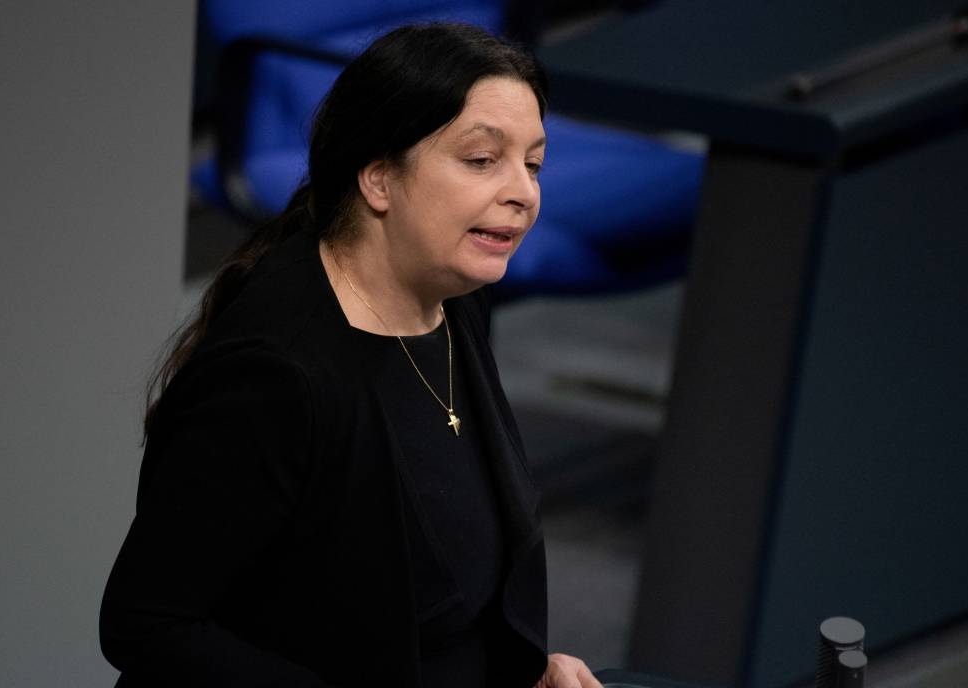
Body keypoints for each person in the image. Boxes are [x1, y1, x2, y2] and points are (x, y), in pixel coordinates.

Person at [100, 22, 603, 688]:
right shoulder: (275, 375)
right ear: (378, 179)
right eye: (483, 160)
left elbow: (434, 592)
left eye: (532, 163)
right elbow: (147, 625)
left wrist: (524, 669)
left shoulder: (452, 298)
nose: (524, 192)